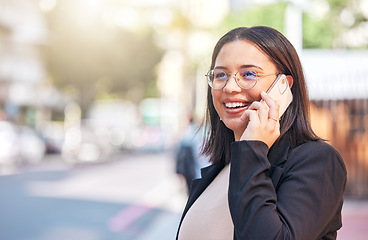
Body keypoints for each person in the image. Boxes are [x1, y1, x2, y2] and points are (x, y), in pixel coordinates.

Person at [176, 26, 347, 240]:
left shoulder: (317, 161)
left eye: (248, 74)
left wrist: (252, 150)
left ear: (284, 85)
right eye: (220, 75)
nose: (230, 87)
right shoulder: (220, 170)